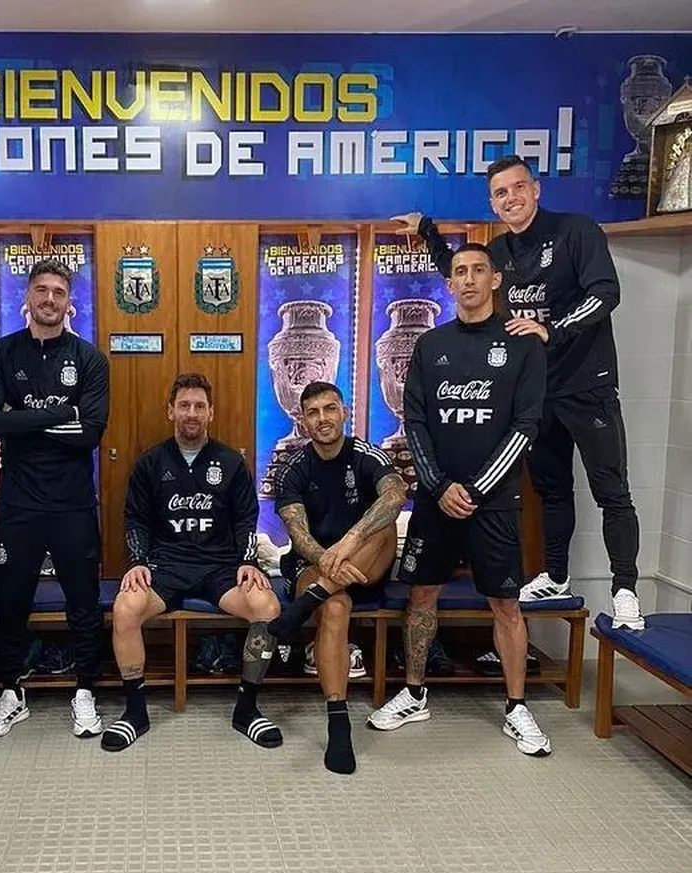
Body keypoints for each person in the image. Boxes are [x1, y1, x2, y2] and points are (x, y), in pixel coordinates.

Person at [392, 154, 642, 629]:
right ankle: (557, 575)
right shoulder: (500, 252)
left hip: (587, 385)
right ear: (493, 202)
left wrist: (557, 330)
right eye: (500, 193)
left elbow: (606, 292)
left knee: (612, 490)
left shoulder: (577, 230)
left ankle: (625, 588)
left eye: (518, 188)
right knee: (552, 490)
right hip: (537, 389)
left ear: (536, 189)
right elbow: (458, 267)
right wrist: (427, 229)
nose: (511, 198)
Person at [367, 243, 552, 757]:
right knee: (421, 596)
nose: (468, 280)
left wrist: (474, 489)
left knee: (506, 604)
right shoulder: (430, 345)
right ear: (448, 285)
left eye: (477, 271)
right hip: (435, 501)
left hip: (493, 503)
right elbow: (416, 423)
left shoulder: (522, 346)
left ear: (495, 280)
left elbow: (525, 427)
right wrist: (438, 485)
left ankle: (517, 706)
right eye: (458, 273)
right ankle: (414, 691)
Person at [101, 373, 282, 752]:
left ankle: (246, 709)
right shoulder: (151, 463)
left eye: (200, 406)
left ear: (211, 413)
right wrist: (137, 561)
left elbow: (246, 518)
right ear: (171, 411)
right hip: (166, 567)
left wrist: (247, 561)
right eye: (184, 405)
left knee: (266, 606)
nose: (192, 413)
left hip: (220, 568)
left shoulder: (231, 462)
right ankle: (136, 712)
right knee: (126, 607)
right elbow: (135, 518)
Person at [0, 259, 109, 739]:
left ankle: (86, 690)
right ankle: (10, 691)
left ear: (69, 302)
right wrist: (59, 412)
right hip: (18, 501)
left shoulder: (90, 360)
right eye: (41, 291)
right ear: (26, 299)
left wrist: (22, 418)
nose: (49, 299)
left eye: (58, 292)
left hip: (72, 502)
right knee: (10, 600)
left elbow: (88, 434)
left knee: (84, 602)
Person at [273, 381, 405, 774]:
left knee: (385, 524)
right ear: (303, 420)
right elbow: (298, 536)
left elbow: (396, 493)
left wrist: (349, 543)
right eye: (313, 413)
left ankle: (304, 606)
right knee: (334, 606)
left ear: (344, 413)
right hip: (315, 567)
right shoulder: (293, 468)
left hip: (363, 560)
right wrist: (329, 561)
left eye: (330, 409)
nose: (323, 419)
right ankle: (338, 721)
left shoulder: (365, 455)